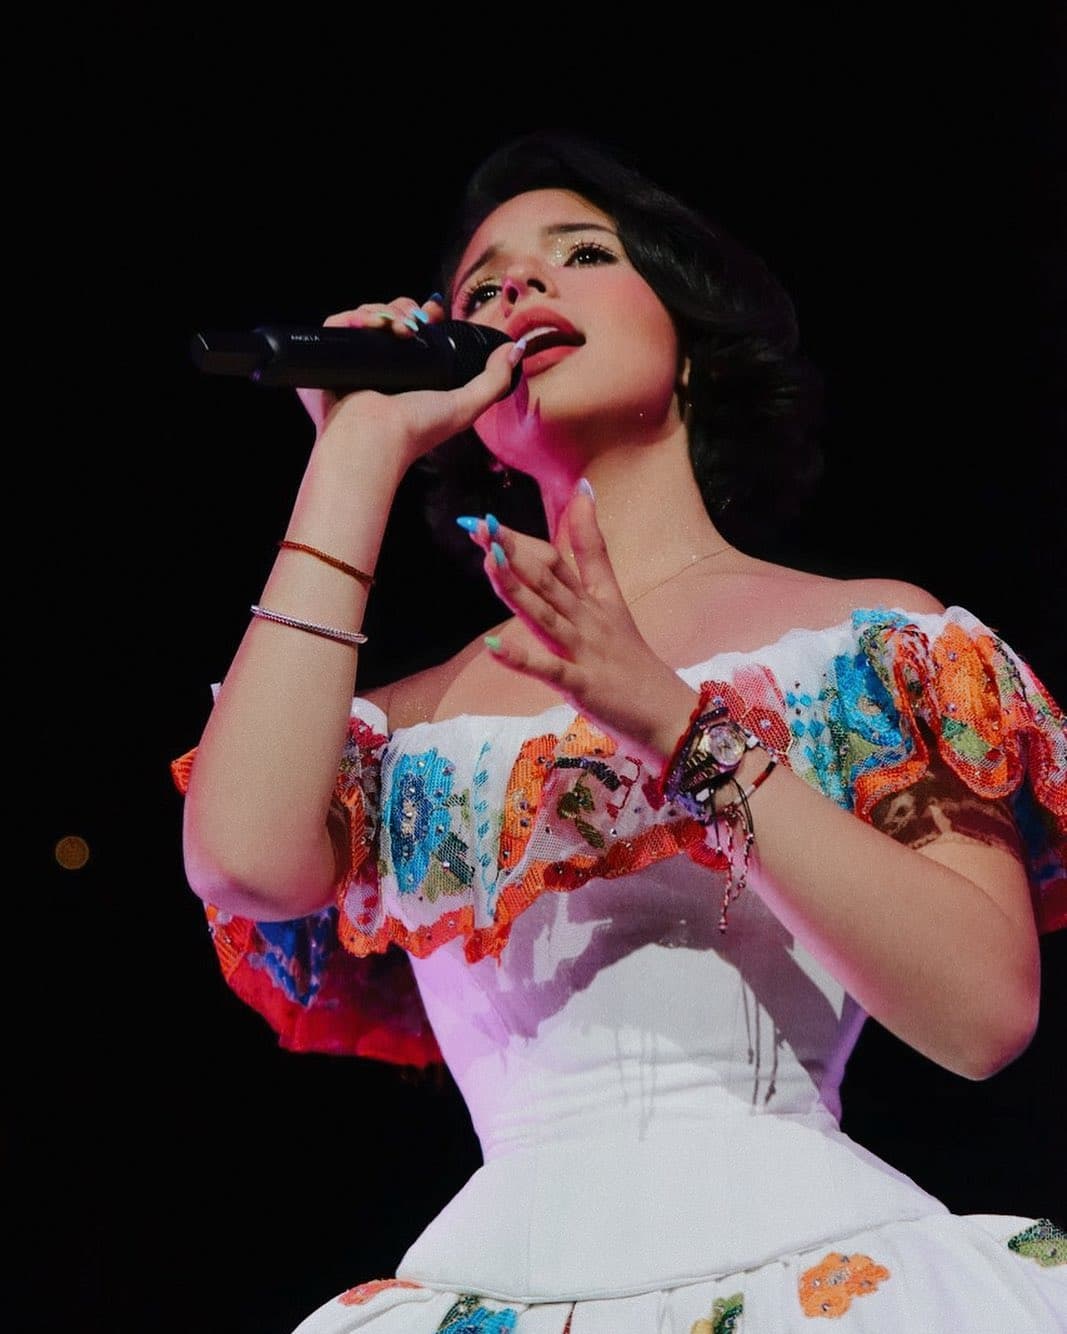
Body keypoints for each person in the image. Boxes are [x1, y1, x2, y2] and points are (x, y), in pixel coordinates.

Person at [172, 129, 1067, 1332]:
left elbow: (980, 1011)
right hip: (492, 1281)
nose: (515, 291)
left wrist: (672, 722)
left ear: (689, 340)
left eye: (579, 254)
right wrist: (354, 452)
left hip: (815, 1270)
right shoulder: (427, 715)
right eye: (478, 288)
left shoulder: (868, 643)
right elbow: (240, 858)